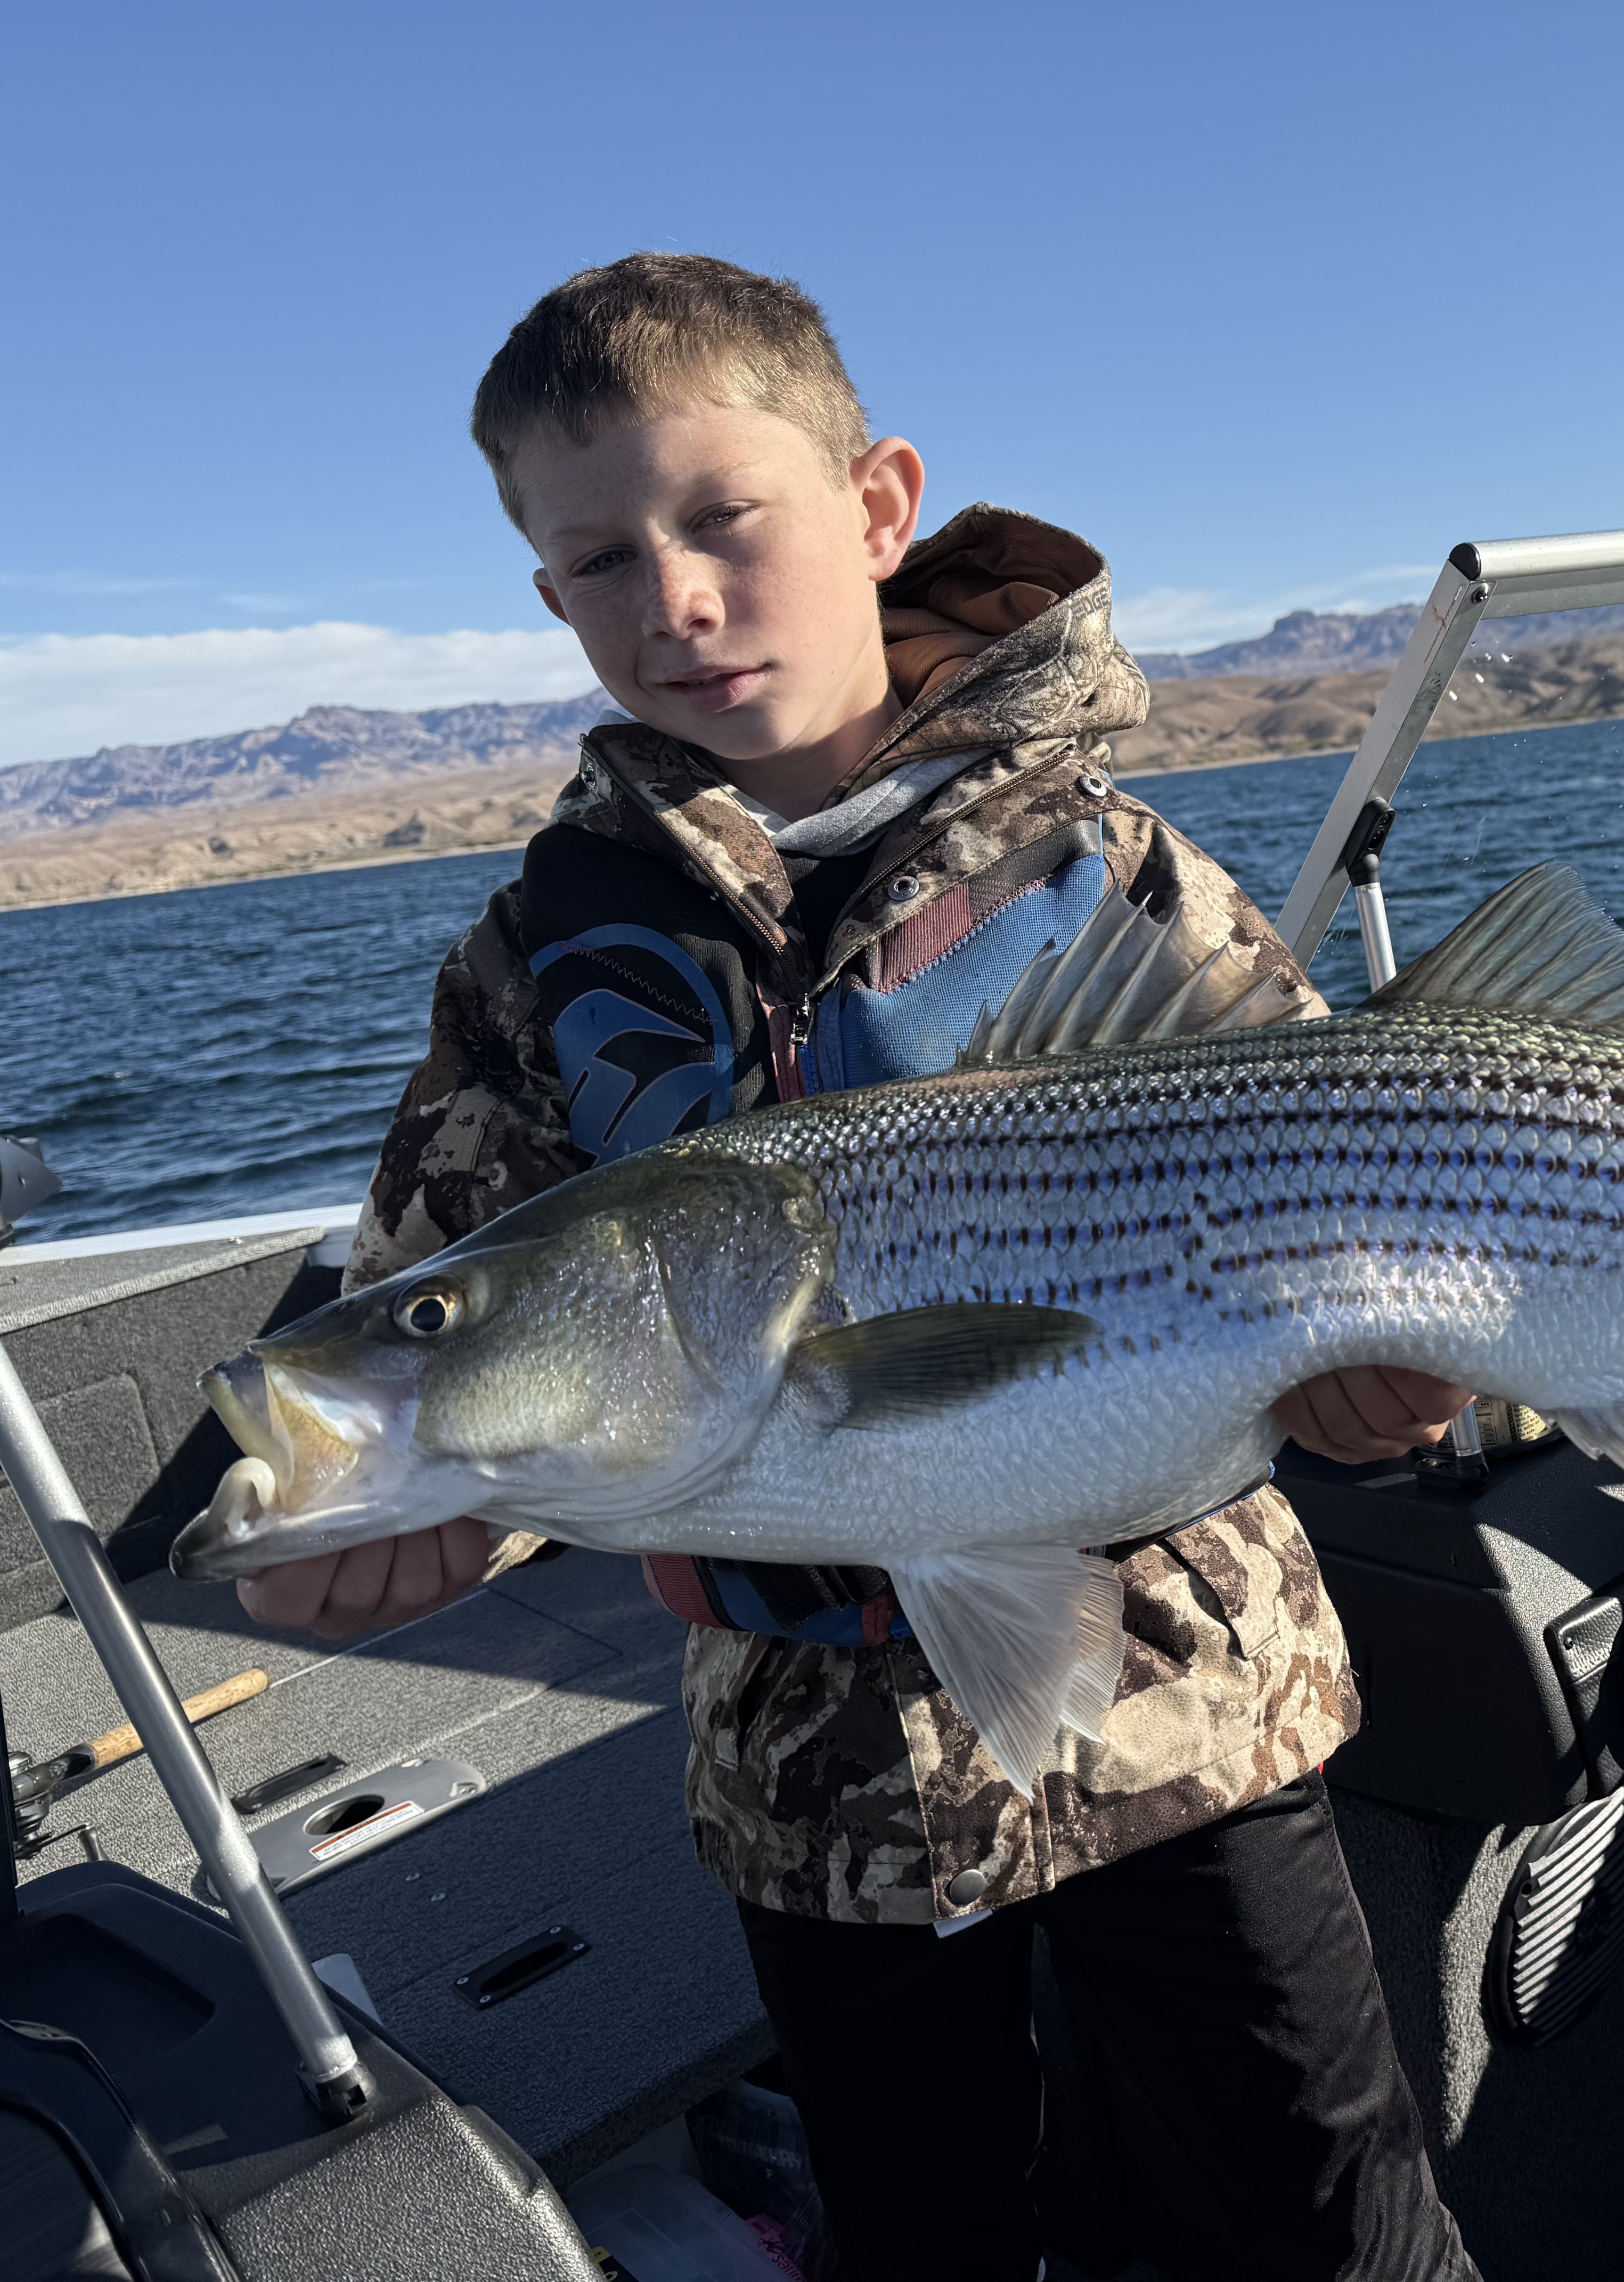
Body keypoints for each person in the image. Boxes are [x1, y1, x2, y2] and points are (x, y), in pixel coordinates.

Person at [235, 251, 1481, 2282]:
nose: (677, 599)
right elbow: (441, 1312)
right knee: (933, 2240)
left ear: (879, 505)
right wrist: (361, 1527)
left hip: (1197, 1722)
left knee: (1328, 2223)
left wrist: (1392, 1393)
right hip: (815, 1798)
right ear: (551, 599)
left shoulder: (1122, 877)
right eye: (600, 560)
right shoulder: (532, 966)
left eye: (724, 519)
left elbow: (1358, 1240)